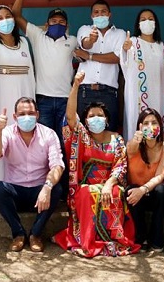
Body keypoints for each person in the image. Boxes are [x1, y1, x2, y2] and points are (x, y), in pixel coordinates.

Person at [53, 71, 139, 257]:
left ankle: (113, 239)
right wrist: (76, 85)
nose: (96, 118)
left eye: (100, 115)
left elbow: (120, 166)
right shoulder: (82, 136)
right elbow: (70, 117)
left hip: (111, 184)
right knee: (87, 193)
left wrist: (108, 184)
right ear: (85, 121)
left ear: (106, 119)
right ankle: (87, 240)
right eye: (91, 115)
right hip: (86, 185)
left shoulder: (116, 138)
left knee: (116, 193)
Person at [0, 97, 65, 252]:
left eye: (30, 113)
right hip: (15, 190)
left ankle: (35, 235)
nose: (27, 117)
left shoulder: (48, 134)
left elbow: (57, 165)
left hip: (39, 195)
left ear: (37, 114)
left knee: (56, 189)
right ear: (15, 116)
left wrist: (47, 187)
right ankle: (18, 234)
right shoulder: (7, 132)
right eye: (22, 114)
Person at [11, 0, 78, 145]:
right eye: (53, 21)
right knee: (44, 141)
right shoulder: (37, 36)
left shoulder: (73, 41)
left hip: (65, 99)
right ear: (46, 25)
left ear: (67, 26)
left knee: (64, 141)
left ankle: (61, 164)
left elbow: (86, 50)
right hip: (43, 99)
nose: (57, 24)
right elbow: (16, 16)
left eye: (61, 22)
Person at [0, 3, 36, 191]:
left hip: (23, 104)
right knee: (0, 140)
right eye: (0, 18)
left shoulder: (24, 43)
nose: (5, 21)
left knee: (23, 142)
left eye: (8, 16)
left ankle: (23, 187)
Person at [74, 0, 126, 132]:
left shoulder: (120, 33)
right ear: (92, 16)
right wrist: (91, 40)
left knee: (109, 131)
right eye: (96, 12)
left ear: (109, 14)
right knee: (83, 132)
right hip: (85, 91)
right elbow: (85, 44)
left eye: (103, 12)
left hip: (109, 92)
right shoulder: (85, 29)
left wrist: (89, 56)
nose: (100, 15)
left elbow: (117, 57)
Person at [119, 9, 164, 140]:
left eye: (150, 19)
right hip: (137, 95)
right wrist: (125, 49)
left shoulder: (162, 46)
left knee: (157, 120)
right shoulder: (133, 42)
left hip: (159, 94)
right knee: (138, 122)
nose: (147, 21)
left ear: (155, 23)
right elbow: (125, 63)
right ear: (138, 24)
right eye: (143, 19)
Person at [126, 108, 164, 252]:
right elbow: (130, 149)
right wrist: (136, 140)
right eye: (146, 123)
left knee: (162, 190)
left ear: (160, 126)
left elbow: (160, 175)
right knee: (130, 190)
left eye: (154, 122)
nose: (150, 126)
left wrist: (143, 189)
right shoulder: (134, 145)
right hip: (136, 195)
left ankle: (157, 238)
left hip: (152, 192)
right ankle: (141, 238)